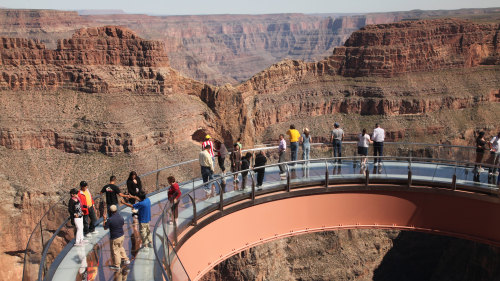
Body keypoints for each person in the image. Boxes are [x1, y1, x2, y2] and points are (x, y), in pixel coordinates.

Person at [103, 205, 130, 270]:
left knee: (116, 251)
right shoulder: (120, 217)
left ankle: (117, 265)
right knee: (120, 247)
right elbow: (122, 223)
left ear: (110, 211)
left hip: (115, 237)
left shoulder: (110, 219)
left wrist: (104, 219)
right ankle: (126, 259)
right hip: (122, 235)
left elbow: (105, 228)